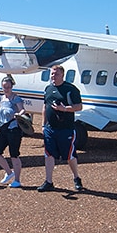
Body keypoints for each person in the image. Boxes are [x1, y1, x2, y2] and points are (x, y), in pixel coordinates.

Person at [38, 64, 84, 192]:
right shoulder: (48, 89)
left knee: (70, 156)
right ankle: (48, 181)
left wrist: (64, 109)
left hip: (66, 128)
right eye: (52, 74)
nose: (53, 76)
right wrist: (43, 124)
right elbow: (44, 107)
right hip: (50, 128)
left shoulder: (71, 89)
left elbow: (79, 106)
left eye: (56, 74)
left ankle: (76, 178)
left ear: (62, 75)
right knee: (48, 155)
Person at [0, 75, 26, 188]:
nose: (6, 89)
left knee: (14, 155)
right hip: (4, 128)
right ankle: (9, 172)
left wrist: (18, 115)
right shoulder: (2, 98)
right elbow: (2, 112)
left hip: (14, 130)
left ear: (12, 87)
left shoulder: (16, 98)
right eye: (4, 87)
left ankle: (17, 180)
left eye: (8, 87)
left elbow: (22, 110)